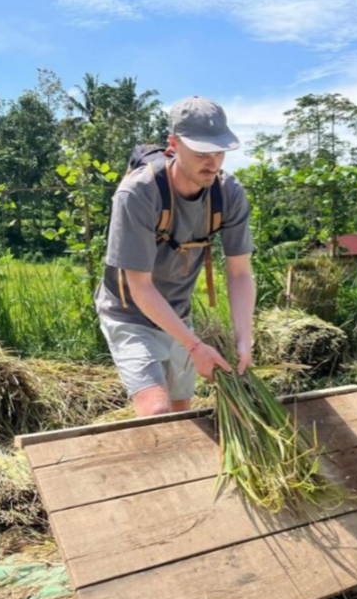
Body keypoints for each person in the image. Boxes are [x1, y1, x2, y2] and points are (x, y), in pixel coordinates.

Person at [94, 96, 255, 417]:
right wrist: (196, 346)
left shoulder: (229, 193)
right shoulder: (138, 193)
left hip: (178, 314)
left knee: (183, 413)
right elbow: (139, 287)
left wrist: (244, 339)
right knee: (157, 410)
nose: (212, 163)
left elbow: (240, 273)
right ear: (174, 144)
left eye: (219, 152)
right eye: (200, 153)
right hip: (129, 313)